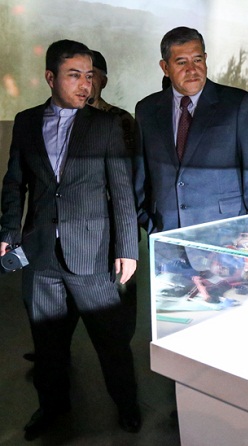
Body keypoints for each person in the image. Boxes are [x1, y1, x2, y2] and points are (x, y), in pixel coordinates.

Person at [0, 40, 140, 440]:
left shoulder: (105, 126)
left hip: (93, 253)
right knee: (48, 346)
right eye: (74, 75)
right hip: (41, 253)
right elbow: (15, 183)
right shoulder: (26, 122)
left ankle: (127, 404)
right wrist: (8, 232)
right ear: (50, 77)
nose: (85, 85)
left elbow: (122, 191)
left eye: (89, 76)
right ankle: (52, 408)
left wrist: (127, 249)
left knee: (110, 342)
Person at [134, 26, 248, 235]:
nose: (192, 69)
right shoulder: (147, 110)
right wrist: (151, 223)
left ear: (205, 59)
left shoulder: (237, 104)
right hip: (166, 235)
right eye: (182, 62)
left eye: (197, 60)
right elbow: (140, 178)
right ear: (165, 68)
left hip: (225, 235)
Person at [88, 50, 136, 154]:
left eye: (90, 75)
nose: (84, 82)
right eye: (76, 75)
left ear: (103, 82)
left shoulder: (121, 119)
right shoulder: (62, 115)